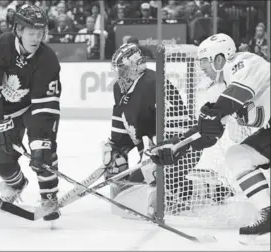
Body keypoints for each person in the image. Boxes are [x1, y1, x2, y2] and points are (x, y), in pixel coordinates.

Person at [151, 33, 270, 240]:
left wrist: (215, 113)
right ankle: (268, 214)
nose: (201, 66)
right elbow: (208, 133)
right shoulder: (217, 88)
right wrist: (177, 146)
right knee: (238, 156)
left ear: (220, 58)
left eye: (204, 60)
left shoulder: (245, 63)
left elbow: (233, 99)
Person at [101, 43, 232, 216]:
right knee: (127, 194)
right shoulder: (119, 88)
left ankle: (210, 190)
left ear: (135, 66)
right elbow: (122, 121)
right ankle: (195, 189)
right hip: (150, 153)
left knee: (161, 195)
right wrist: (116, 150)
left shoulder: (154, 85)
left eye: (123, 69)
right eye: (119, 70)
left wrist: (159, 151)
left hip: (179, 148)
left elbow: (179, 128)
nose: (120, 74)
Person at [0, 4, 62, 221]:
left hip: (33, 108)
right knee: (2, 163)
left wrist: (40, 142)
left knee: (44, 151)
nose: (36, 38)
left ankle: (49, 196)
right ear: (19, 30)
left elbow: (45, 104)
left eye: (40, 33)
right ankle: (17, 184)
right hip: (4, 112)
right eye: (31, 33)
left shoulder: (47, 59)